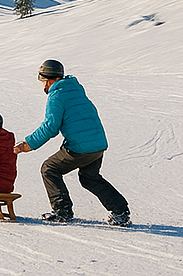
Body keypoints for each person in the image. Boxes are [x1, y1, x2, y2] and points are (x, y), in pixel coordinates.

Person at [13, 59, 131, 226]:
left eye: (43, 81)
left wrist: (27, 145)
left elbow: (50, 127)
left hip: (81, 147)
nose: (44, 86)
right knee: (89, 177)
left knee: (49, 168)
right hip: (97, 144)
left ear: (52, 79)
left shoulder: (57, 95)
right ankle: (120, 211)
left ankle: (62, 212)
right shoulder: (75, 88)